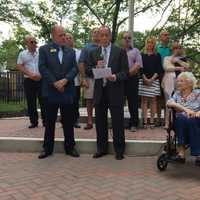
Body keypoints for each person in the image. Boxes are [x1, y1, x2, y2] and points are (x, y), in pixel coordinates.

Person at [38, 25, 79, 159]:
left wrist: (65, 80)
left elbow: (74, 68)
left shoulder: (71, 51)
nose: (63, 38)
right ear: (53, 36)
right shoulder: (44, 49)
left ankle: (70, 147)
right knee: (49, 122)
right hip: (51, 91)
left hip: (67, 90)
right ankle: (47, 149)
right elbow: (43, 68)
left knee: (68, 121)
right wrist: (55, 83)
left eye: (64, 35)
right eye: (60, 35)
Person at [87, 26, 129, 160]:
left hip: (115, 91)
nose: (104, 38)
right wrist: (95, 68)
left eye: (106, 35)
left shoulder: (120, 51)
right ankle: (101, 148)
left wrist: (115, 77)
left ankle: (119, 150)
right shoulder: (94, 52)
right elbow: (87, 70)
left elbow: (125, 72)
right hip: (100, 91)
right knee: (100, 121)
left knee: (117, 121)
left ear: (110, 36)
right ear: (98, 37)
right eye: (101, 35)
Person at [167, 72, 200, 166]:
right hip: (181, 121)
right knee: (181, 118)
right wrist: (186, 110)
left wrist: (197, 113)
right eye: (178, 81)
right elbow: (169, 103)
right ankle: (182, 153)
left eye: (181, 81)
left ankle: (197, 154)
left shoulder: (198, 94)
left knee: (191, 120)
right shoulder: (176, 94)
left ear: (189, 83)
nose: (178, 83)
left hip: (196, 119)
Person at [16, 35, 46, 128]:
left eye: (35, 42)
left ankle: (45, 121)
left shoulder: (41, 53)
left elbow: (46, 65)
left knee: (44, 101)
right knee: (31, 101)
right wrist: (31, 75)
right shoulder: (22, 54)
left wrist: (41, 75)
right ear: (27, 44)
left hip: (41, 79)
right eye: (31, 42)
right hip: (29, 80)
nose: (34, 44)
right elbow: (19, 66)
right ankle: (34, 122)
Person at [162, 42, 190, 128]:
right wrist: (178, 67)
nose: (177, 49)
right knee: (169, 102)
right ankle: (167, 122)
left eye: (179, 48)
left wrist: (178, 60)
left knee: (181, 102)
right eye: (175, 48)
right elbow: (166, 68)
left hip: (181, 83)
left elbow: (187, 67)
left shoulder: (183, 59)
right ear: (172, 49)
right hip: (169, 83)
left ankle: (178, 122)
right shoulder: (167, 58)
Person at [139, 37, 163, 128]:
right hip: (143, 79)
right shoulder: (142, 55)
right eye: (148, 42)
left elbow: (159, 69)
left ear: (154, 44)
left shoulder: (157, 55)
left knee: (153, 101)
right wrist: (145, 78)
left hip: (154, 80)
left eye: (152, 42)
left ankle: (152, 120)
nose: (150, 44)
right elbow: (140, 69)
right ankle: (145, 121)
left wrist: (152, 79)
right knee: (144, 101)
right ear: (146, 43)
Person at [121, 31, 143, 132]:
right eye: (125, 37)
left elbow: (138, 65)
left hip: (132, 79)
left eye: (129, 38)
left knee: (133, 102)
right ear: (122, 39)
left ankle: (134, 123)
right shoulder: (118, 51)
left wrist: (127, 74)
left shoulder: (135, 51)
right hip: (120, 80)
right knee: (118, 102)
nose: (127, 39)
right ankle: (119, 123)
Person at [79, 28, 99, 130]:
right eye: (95, 32)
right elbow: (81, 63)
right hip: (89, 77)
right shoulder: (86, 48)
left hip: (102, 78)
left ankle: (101, 120)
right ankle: (90, 121)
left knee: (102, 100)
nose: (97, 34)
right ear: (91, 35)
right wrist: (83, 78)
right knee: (89, 100)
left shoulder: (105, 46)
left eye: (98, 32)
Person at [65, 32, 81, 128]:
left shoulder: (78, 52)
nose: (68, 39)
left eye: (70, 38)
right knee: (65, 102)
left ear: (73, 40)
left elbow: (81, 66)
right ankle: (65, 121)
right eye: (66, 38)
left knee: (75, 102)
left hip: (76, 81)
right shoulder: (61, 52)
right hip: (65, 82)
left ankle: (75, 120)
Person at [156, 31, 171, 126]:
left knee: (168, 98)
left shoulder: (170, 49)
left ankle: (167, 119)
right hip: (158, 74)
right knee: (158, 97)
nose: (167, 36)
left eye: (168, 35)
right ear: (160, 37)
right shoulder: (157, 48)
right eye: (165, 35)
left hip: (168, 74)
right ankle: (158, 119)